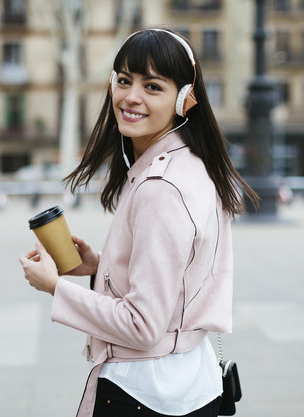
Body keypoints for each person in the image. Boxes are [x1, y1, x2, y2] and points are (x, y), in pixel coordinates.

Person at [19, 28, 258, 417]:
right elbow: (181, 276)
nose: (131, 97)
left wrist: (54, 287)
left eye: (153, 86)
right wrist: (101, 265)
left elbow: (143, 327)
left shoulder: (160, 188)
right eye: (124, 80)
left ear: (184, 100)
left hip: (144, 393)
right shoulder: (192, 165)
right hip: (190, 383)